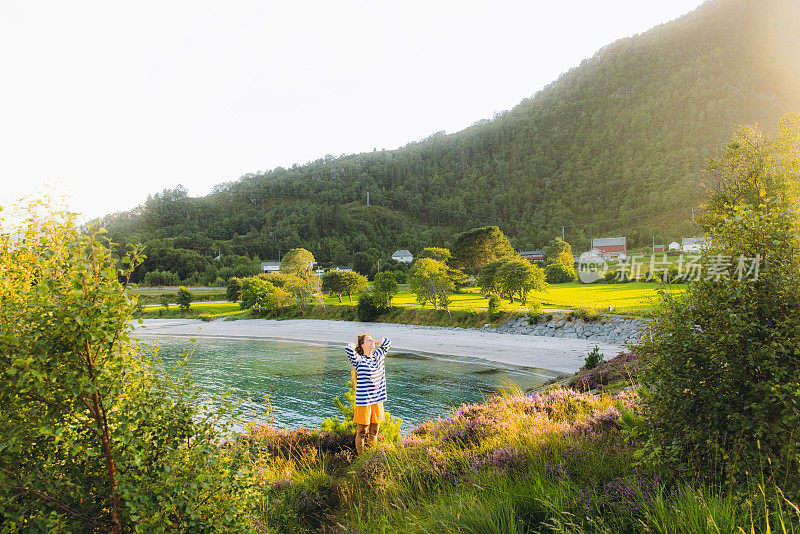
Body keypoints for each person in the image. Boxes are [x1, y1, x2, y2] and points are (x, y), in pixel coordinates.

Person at [345, 334, 390, 454]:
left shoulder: (379, 356)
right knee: (362, 432)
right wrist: (355, 345)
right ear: (362, 344)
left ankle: (370, 456)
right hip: (364, 401)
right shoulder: (358, 360)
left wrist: (374, 341)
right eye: (368, 340)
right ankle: (361, 458)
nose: (371, 342)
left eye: (372, 339)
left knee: (374, 431)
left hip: (377, 400)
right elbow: (348, 349)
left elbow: (387, 342)